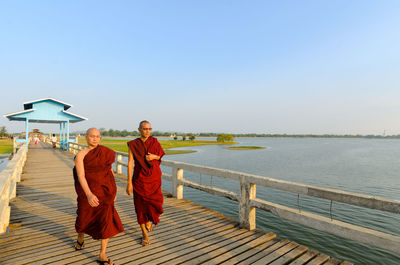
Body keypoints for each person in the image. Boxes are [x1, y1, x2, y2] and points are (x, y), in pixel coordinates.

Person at [73, 128, 123, 265]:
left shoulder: (105, 153)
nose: (95, 139)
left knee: (105, 221)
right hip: (87, 192)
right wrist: (89, 194)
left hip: (105, 193)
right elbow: (81, 176)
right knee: (83, 219)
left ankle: (102, 254)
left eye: (98, 136)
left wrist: (114, 191)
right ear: (86, 137)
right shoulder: (81, 155)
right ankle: (80, 239)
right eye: (92, 136)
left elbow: (110, 172)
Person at [126, 120, 165, 246]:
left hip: (153, 178)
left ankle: (148, 220)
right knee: (140, 206)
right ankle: (144, 233)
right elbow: (130, 162)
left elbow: (160, 156)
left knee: (154, 202)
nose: (147, 131)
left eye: (149, 129)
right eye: (144, 129)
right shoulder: (133, 144)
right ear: (139, 129)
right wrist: (128, 182)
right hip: (139, 179)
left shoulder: (155, 142)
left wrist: (153, 157)